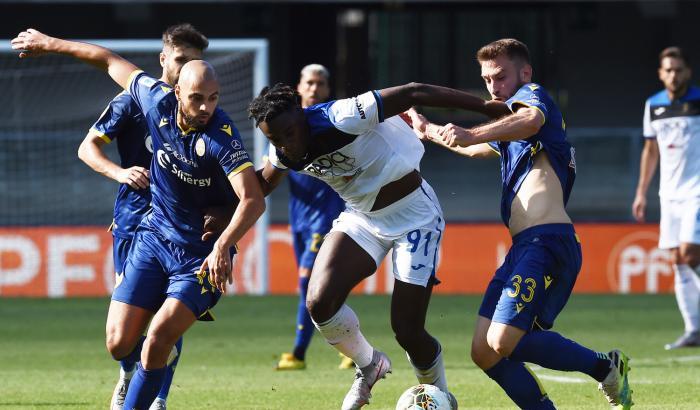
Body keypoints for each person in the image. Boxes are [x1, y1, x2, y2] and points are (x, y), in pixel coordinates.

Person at [12, 29, 265, 409]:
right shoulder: (152, 100)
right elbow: (108, 60)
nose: (205, 108)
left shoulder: (221, 136)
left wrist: (223, 246)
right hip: (152, 238)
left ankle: (151, 399)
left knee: (161, 335)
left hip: (198, 257)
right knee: (118, 343)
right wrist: (49, 44)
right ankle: (142, 378)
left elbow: (253, 200)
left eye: (213, 99)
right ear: (176, 90)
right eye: (197, 98)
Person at [249, 79, 504, 410]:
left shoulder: (341, 116)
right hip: (363, 219)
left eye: (289, 133)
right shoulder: (282, 152)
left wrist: (485, 106)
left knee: (407, 329)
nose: (286, 144)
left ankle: (438, 395)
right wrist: (209, 199)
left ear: (301, 114)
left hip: (415, 216)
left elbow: (413, 91)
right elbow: (259, 185)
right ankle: (369, 365)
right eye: (275, 139)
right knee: (319, 302)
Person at [406, 38, 632, 409]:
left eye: (501, 76)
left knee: (503, 341)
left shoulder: (534, 98)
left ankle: (605, 367)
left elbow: (529, 119)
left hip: (547, 242)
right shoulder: (511, 134)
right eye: (487, 79)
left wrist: (474, 131)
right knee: (484, 351)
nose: (493, 86)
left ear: (524, 73)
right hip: (523, 248)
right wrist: (426, 127)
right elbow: (468, 146)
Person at [77, 23, 208, 410]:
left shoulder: (200, 110)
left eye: (195, 63)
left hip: (179, 227)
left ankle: (159, 398)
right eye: (181, 60)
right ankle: (128, 373)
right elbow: (88, 148)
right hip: (134, 222)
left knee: (170, 313)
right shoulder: (134, 100)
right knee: (123, 335)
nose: (187, 70)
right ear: (163, 59)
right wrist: (120, 173)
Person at [275, 64, 351, 371]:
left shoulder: (332, 122)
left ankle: (298, 354)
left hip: (325, 219)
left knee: (309, 284)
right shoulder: (285, 127)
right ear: (299, 86)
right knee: (317, 288)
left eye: (320, 83)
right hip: (300, 221)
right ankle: (348, 345)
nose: (314, 88)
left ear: (327, 89)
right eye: (309, 82)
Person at [633, 46, 700, 350]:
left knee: (689, 253)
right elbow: (651, 150)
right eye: (668, 70)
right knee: (677, 261)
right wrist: (641, 192)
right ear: (661, 74)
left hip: (697, 190)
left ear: (688, 72)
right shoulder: (653, 106)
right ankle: (694, 329)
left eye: (678, 69)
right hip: (669, 195)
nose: (673, 75)